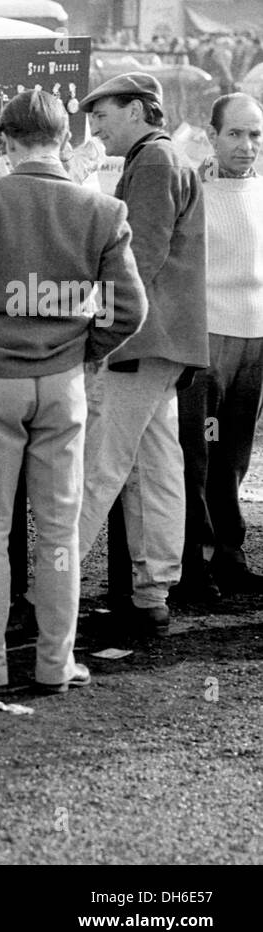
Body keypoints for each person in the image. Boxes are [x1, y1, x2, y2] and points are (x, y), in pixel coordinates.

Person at [0, 90, 146, 694]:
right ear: (66, 133)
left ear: (6, 139)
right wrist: (83, 353)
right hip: (63, 382)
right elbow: (129, 309)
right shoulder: (101, 210)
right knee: (57, 530)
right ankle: (54, 663)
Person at [76, 72, 209, 639]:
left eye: (102, 115)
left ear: (136, 110)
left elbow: (138, 260)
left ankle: (48, 589)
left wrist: (99, 329)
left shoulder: (153, 163)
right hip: (169, 341)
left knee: (96, 468)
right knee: (156, 468)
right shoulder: (168, 158)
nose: (95, 126)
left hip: (140, 337)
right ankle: (151, 595)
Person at [175, 92, 263, 602]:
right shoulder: (195, 191)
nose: (247, 146)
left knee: (235, 455)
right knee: (197, 456)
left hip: (254, 340)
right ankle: (193, 566)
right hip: (207, 339)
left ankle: (230, 556)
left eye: (255, 135)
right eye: (235, 133)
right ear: (212, 135)